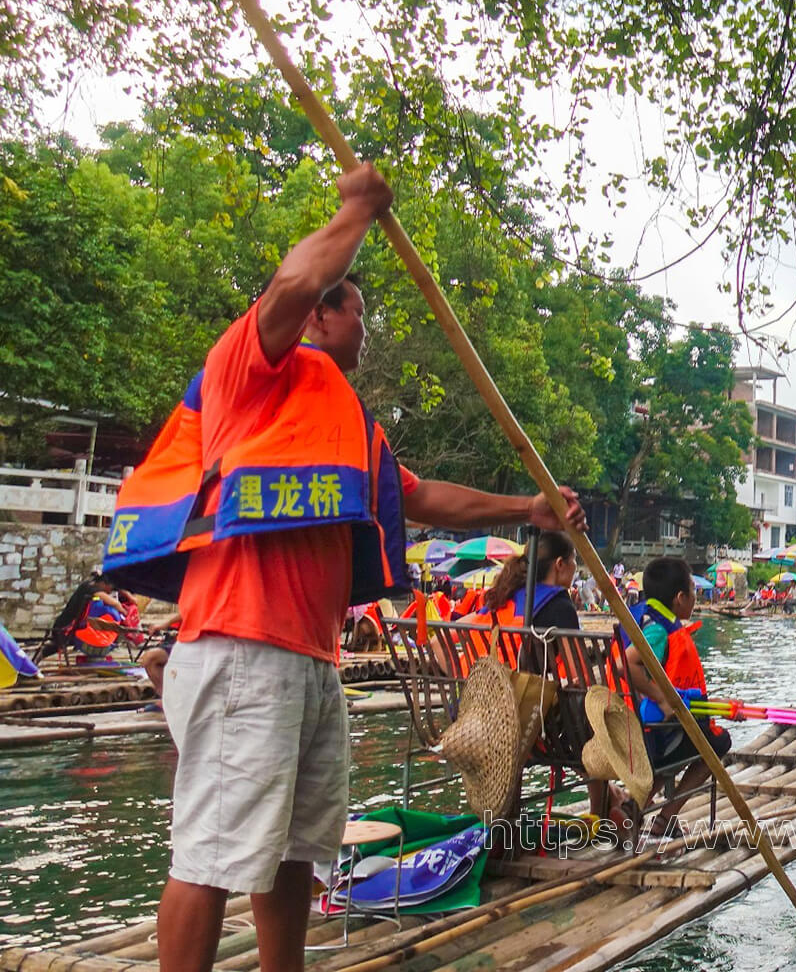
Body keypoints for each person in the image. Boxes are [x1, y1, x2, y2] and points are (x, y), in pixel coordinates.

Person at [100, 164, 586, 972]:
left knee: (296, 851)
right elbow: (291, 282)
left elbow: (421, 497)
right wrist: (357, 210)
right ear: (323, 312)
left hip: (309, 660)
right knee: (213, 854)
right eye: (358, 312)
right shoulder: (253, 366)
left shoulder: (345, 419)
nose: (367, 331)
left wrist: (524, 510)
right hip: (239, 647)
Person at [619, 556, 730, 840]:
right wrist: (662, 699)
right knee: (716, 742)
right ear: (680, 598)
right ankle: (666, 817)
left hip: (639, 725)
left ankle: (638, 803)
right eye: (693, 592)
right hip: (651, 732)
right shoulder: (657, 629)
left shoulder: (641, 614)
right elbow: (626, 664)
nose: (695, 598)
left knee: (696, 734)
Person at [485, 532, 579, 674]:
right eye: (574, 559)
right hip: (530, 693)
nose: (575, 566)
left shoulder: (506, 595)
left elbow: (437, 643)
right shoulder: (561, 606)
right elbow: (577, 672)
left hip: (489, 687)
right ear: (560, 564)